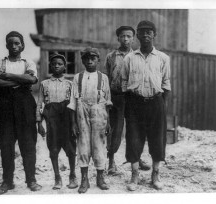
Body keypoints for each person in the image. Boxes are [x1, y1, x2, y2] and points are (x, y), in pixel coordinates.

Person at [121, 20, 171, 191]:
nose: (145, 35)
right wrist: (130, 103)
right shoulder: (129, 58)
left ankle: (155, 175)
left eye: (149, 32)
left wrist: (161, 105)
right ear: (138, 36)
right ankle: (134, 176)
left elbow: (166, 83)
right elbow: (123, 82)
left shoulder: (163, 58)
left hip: (156, 103)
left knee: (157, 139)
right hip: (134, 103)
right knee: (134, 139)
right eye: (141, 32)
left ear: (154, 35)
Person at [0, 31, 41, 194]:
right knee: (6, 144)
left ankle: (31, 180)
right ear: (6, 46)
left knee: (28, 143)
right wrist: (20, 80)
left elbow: (32, 80)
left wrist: (9, 76)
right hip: (5, 104)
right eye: (10, 43)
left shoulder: (28, 63)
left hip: (25, 103)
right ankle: (7, 181)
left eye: (17, 43)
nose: (14, 46)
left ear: (22, 45)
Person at [104, 26, 150, 175]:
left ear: (133, 38)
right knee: (115, 130)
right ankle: (111, 161)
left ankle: (136, 158)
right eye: (122, 36)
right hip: (116, 97)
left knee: (135, 130)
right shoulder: (111, 56)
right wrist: (107, 99)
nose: (125, 39)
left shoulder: (138, 56)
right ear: (118, 38)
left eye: (129, 36)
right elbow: (107, 79)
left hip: (133, 98)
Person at [68, 47, 112, 194]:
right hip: (82, 111)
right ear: (83, 61)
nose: (90, 61)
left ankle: (100, 178)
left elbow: (108, 102)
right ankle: (84, 180)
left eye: (93, 58)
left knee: (99, 146)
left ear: (98, 60)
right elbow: (73, 103)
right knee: (83, 145)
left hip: (99, 112)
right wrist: (74, 123)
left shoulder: (103, 78)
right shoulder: (77, 77)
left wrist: (109, 122)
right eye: (87, 58)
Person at [36, 53, 78, 190]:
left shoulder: (70, 84)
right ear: (50, 66)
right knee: (53, 148)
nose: (56, 66)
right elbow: (40, 104)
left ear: (64, 67)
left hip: (66, 118)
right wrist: (39, 123)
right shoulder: (44, 84)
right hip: (52, 119)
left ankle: (72, 174)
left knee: (70, 148)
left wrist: (74, 124)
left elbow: (73, 105)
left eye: (59, 64)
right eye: (54, 64)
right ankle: (57, 177)